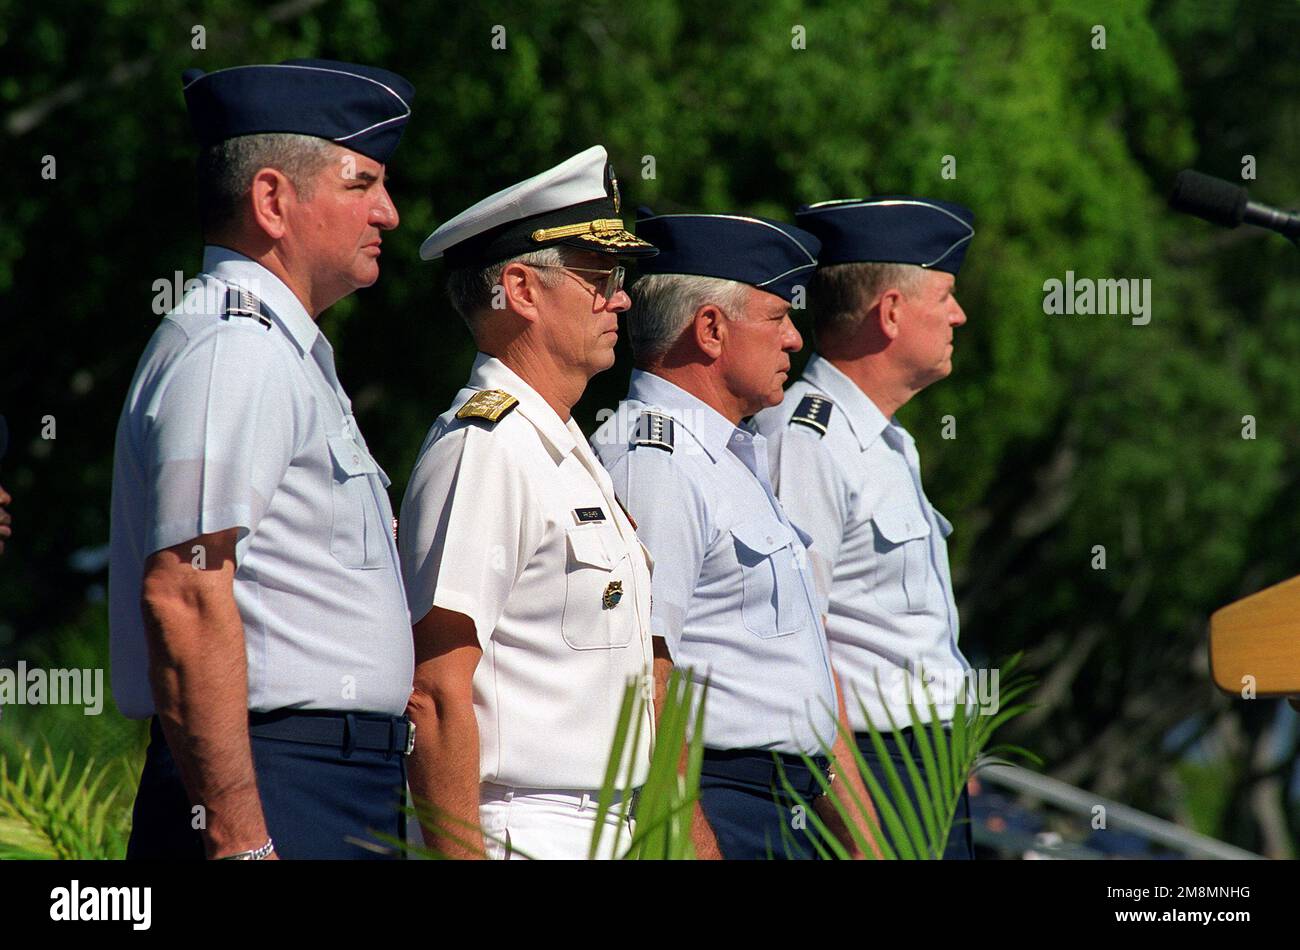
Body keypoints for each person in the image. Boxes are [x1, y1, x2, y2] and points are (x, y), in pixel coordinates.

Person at [108, 59, 416, 860]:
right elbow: (184, 593)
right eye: (362, 184)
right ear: (273, 200)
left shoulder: (281, 350)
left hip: (328, 784)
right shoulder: (233, 349)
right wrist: (241, 838)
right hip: (275, 784)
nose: (388, 210)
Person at [400, 146, 660, 860]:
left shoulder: (565, 451)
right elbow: (436, 690)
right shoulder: (486, 448)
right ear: (520, 289)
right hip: (520, 829)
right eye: (600, 276)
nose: (622, 297)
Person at [592, 209, 876, 860]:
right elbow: (641, 676)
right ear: (711, 329)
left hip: (784, 803)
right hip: (720, 805)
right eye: (777, 317)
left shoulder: (727, 456)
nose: (796, 340)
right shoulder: (653, 461)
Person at [752, 195, 978, 859]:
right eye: (946, 296)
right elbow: (799, 645)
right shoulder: (809, 440)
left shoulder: (884, 440)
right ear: (892, 312)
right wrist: (860, 826)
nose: (959, 315)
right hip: (874, 774)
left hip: (927, 770)